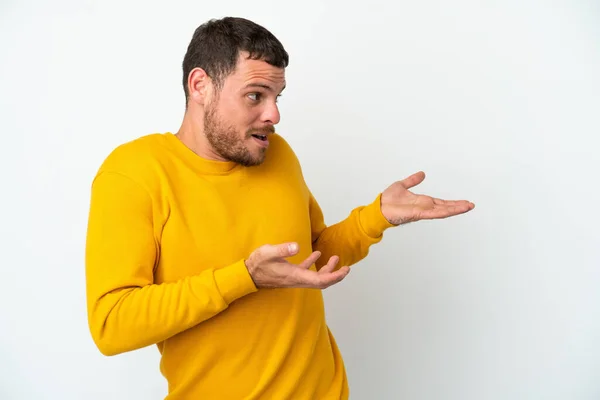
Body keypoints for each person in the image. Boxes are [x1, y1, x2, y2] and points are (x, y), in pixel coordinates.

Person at [85, 16, 475, 399]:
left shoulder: (278, 155)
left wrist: (378, 216)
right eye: (255, 95)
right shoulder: (134, 174)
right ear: (200, 85)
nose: (274, 115)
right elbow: (112, 324)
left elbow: (311, 259)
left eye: (277, 97)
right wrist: (244, 278)